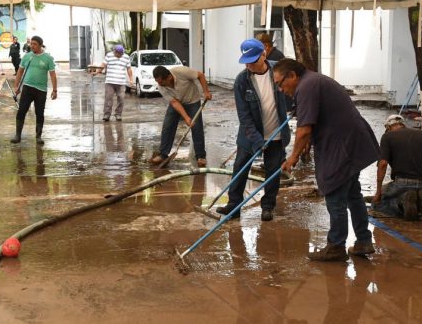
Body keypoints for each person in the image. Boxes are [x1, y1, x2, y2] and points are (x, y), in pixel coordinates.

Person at [275, 58, 379, 261]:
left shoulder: (306, 86)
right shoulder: (312, 82)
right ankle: (363, 241)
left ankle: (336, 246)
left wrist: (293, 157)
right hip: (350, 140)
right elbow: (311, 123)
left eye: (280, 83)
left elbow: (304, 130)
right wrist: (304, 145)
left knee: (335, 194)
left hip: (343, 145)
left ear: (292, 76)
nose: (280, 89)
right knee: (352, 194)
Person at [215, 38, 290, 222]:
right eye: (246, 61)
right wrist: (257, 141)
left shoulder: (279, 71)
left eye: (253, 61)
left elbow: (292, 93)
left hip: (276, 134)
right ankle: (234, 206)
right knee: (240, 169)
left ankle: (267, 207)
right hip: (250, 136)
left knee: (273, 173)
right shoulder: (242, 81)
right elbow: (244, 117)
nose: (249, 65)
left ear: (264, 54)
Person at [372, 114, 422, 221]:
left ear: (388, 128)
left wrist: (378, 192)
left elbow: (383, 164)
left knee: (383, 199)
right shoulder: (421, 134)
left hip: (402, 182)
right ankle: (420, 203)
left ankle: (402, 202)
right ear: (403, 125)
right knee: (414, 193)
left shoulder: (387, 137)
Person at [150, 65, 212, 167]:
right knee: (167, 126)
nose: (159, 84)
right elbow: (174, 103)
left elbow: (200, 75)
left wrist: (206, 91)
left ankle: (201, 156)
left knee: (196, 127)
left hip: (192, 100)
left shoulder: (181, 71)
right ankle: (163, 154)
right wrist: (186, 117)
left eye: (161, 82)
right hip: (177, 102)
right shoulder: (161, 87)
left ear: (169, 77)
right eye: (157, 81)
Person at [10, 35, 58, 145]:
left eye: (34, 44)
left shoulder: (48, 58)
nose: (32, 46)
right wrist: (16, 86)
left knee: (39, 113)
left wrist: (54, 90)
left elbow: (53, 75)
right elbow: (20, 72)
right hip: (27, 87)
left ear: (40, 45)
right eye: (31, 44)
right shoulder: (27, 56)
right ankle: (17, 135)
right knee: (21, 111)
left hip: (41, 90)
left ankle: (38, 136)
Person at [98, 45, 132, 122]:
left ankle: (118, 114)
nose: (119, 55)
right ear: (114, 52)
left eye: (121, 54)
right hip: (110, 82)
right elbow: (103, 65)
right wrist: (97, 72)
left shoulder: (126, 57)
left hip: (121, 82)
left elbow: (129, 68)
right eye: (118, 54)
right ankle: (106, 114)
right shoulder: (109, 55)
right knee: (108, 99)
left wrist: (131, 79)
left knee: (121, 98)